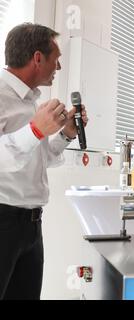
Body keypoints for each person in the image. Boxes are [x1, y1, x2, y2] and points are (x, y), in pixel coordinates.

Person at [0, 23, 88, 300]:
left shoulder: (29, 102)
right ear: (38, 58)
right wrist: (36, 130)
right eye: (56, 58)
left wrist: (65, 134)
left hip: (31, 225)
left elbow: (38, 159)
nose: (58, 67)